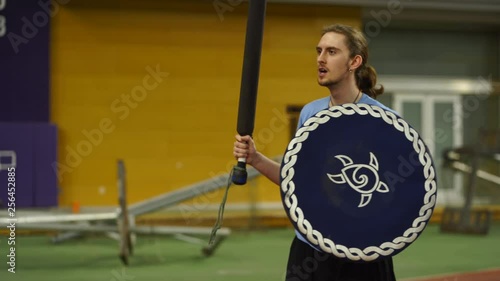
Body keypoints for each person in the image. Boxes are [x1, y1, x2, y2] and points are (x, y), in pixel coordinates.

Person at [233, 24, 398, 281]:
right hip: (312, 249)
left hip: (364, 251)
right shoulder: (311, 114)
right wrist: (255, 158)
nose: (321, 59)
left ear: (354, 61)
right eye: (319, 51)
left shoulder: (385, 121)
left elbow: (395, 193)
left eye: (332, 51)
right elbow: (296, 179)